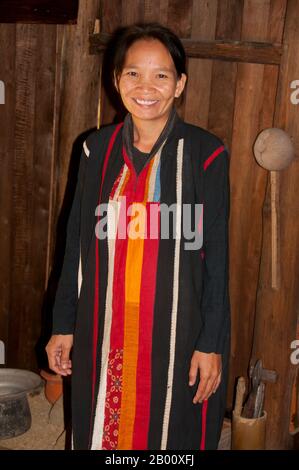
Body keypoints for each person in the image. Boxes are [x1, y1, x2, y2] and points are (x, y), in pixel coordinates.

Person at [46, 22, 230, 450]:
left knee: (172, 432)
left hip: (177, 331)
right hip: (104, 325)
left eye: (161, 75)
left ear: (180, 84)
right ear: (116, 80)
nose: (146, 86)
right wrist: (63, 324)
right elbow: (75, 241)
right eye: (133, 73)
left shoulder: (206, 154)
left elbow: (217, 258)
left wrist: (211, 342)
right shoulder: (97, 150)